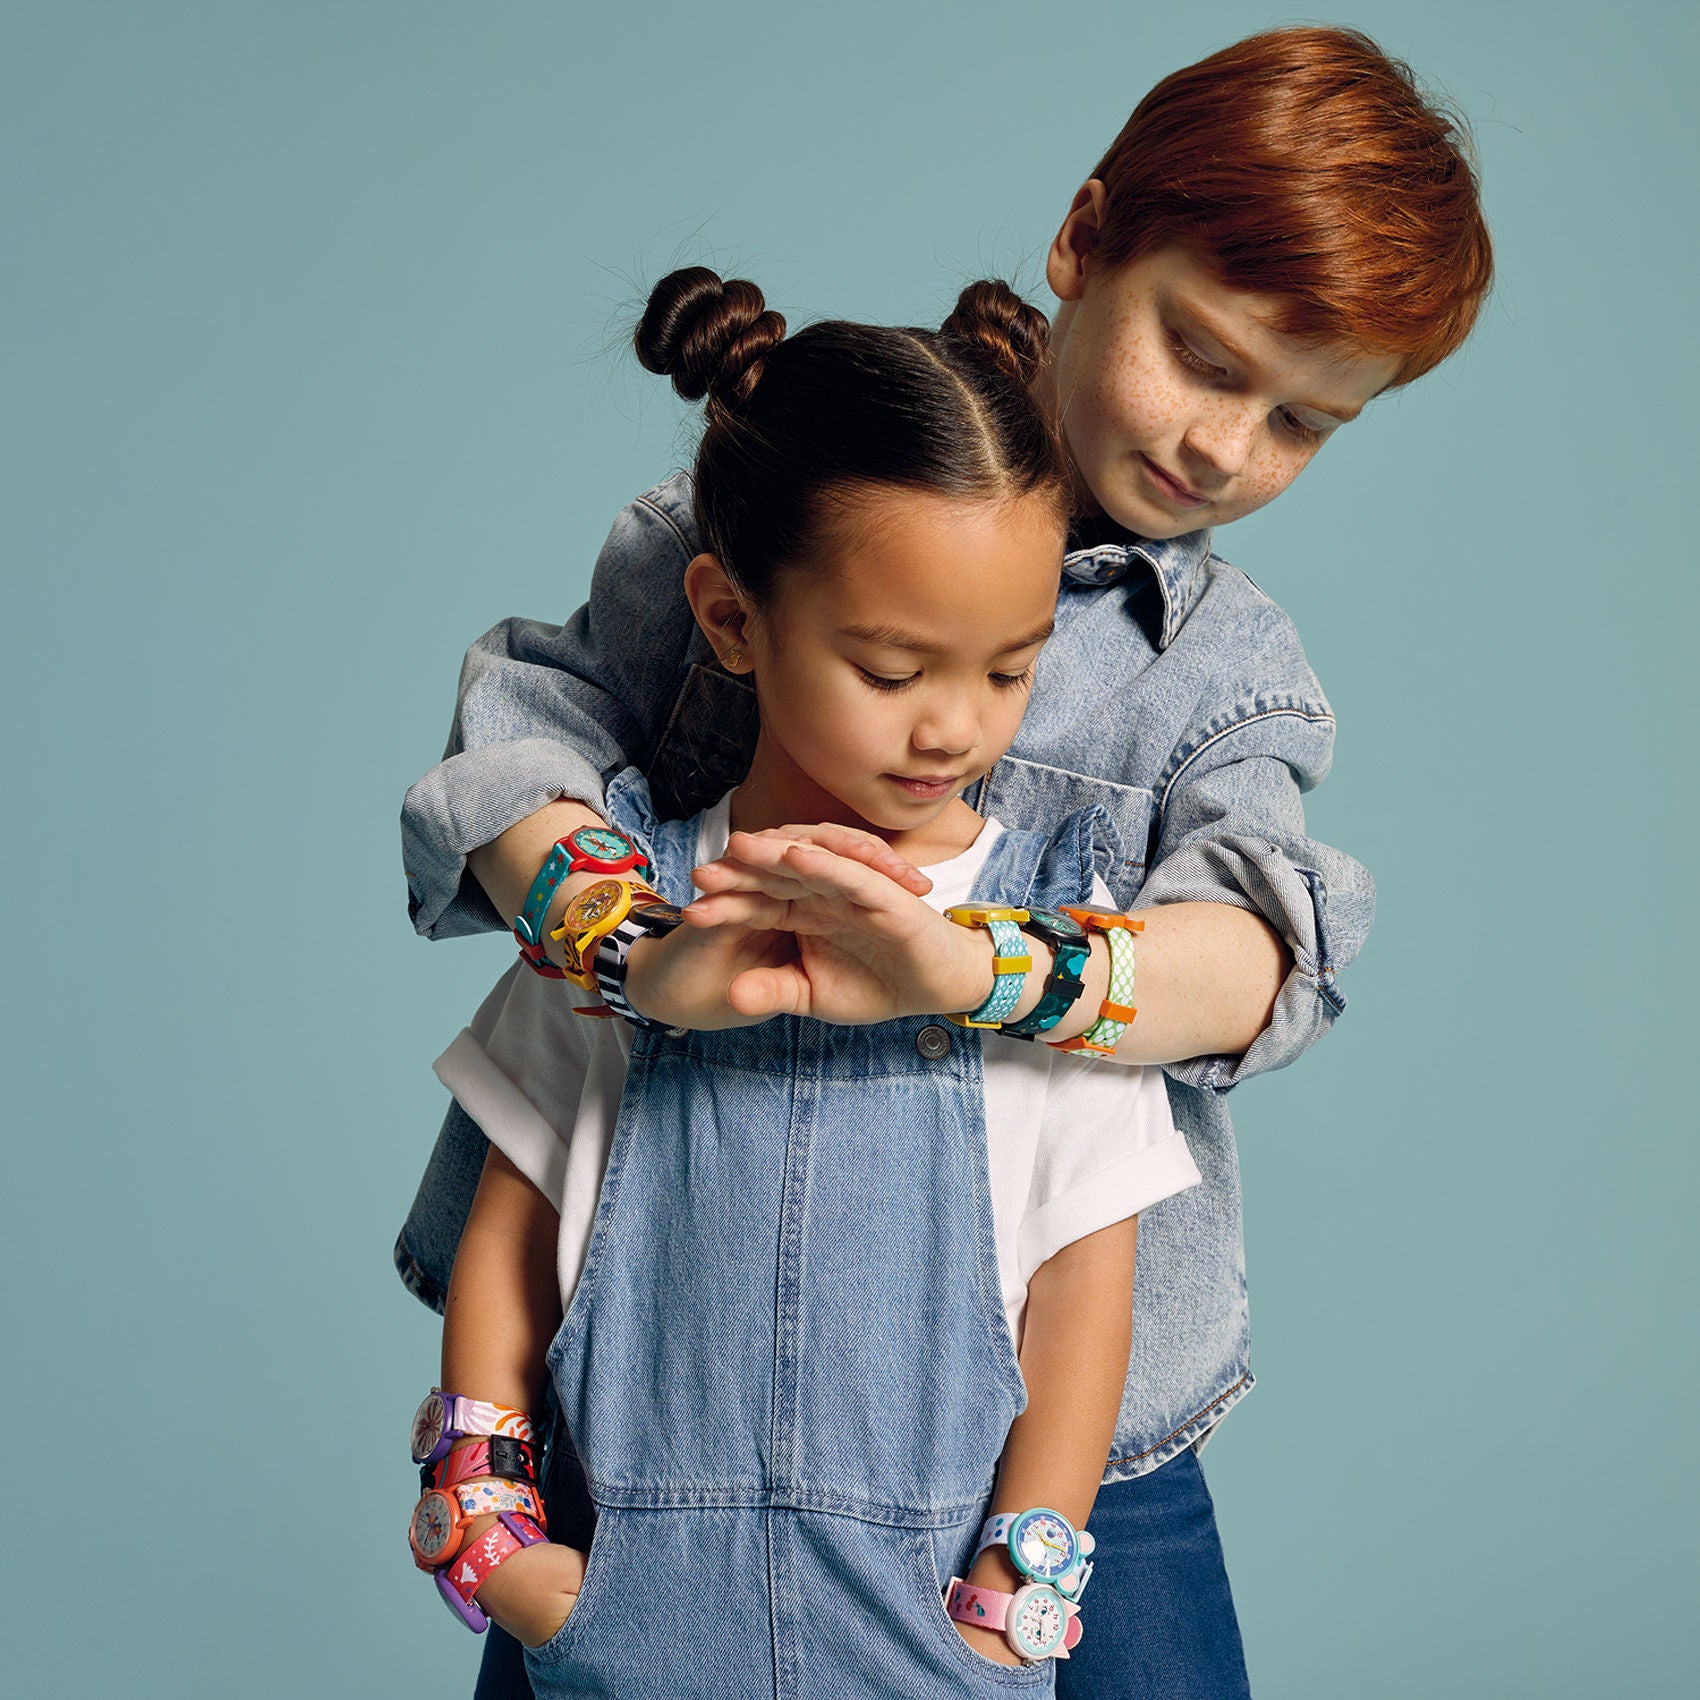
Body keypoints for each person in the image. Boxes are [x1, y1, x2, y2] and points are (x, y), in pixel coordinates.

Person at [396, 26, 1492, 1698]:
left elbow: (1256, 949)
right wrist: (641, 953)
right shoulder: (782, 502)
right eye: (1201, 355)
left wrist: (979, 965)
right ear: (1082, 239)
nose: (1223, 447)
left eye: (1303, 424)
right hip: (663, 1398)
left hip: (1066, 1444)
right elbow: (515, 754)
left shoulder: (1216, 666)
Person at [413, 269, 1205, 1695]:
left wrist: (1016, 1583)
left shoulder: (1044, 934)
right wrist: (493, 1533)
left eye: (1010, 670)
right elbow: (509, 1223)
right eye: (891, 666)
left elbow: (1093, 1278)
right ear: (727, 618)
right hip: (629, 1628)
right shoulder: (625, 917)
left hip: (935, 1641)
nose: (953, 726)